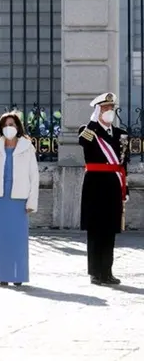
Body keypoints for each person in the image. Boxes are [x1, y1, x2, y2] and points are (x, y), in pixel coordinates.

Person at [0, 111, 39, 287]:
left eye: (12, 124)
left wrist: (31, 202)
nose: (9, 128)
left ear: (18, 127)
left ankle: (18, 274)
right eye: (5, 125)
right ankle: (2, 275)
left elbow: (34, 176)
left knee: (18, 239)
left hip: (19, 198)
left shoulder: (27, 147)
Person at [79, 92, 129, 285]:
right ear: (97, 111)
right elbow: (83, 142)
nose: (109, 112)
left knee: (109, 230)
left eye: (111, 109)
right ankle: (95, 272)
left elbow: (123, 163)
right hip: (94, 186)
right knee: (95, 230)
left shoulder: (120, 134)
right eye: (105, 109)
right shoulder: (88, 130)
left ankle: (107, 271)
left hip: (114, 186)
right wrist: (93, 122)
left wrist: (126, 189)